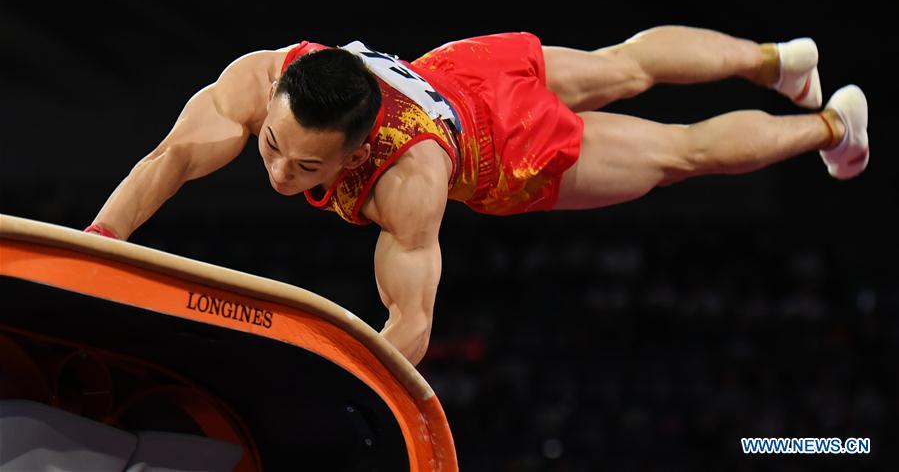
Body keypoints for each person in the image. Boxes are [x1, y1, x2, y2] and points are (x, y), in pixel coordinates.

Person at [85, 27, 870, 365]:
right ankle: (778, 60)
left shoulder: (408, 181)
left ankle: (832, 124)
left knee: (678, 152)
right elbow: (171, 156)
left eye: (308, 167)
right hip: (465, 70)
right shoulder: (264, 78)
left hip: (505, 151)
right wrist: (98, 243)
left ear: (356, 152)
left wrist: (331, 386)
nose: (281, 175)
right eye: (271, 148)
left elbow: (410, 325)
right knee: (622, 63)